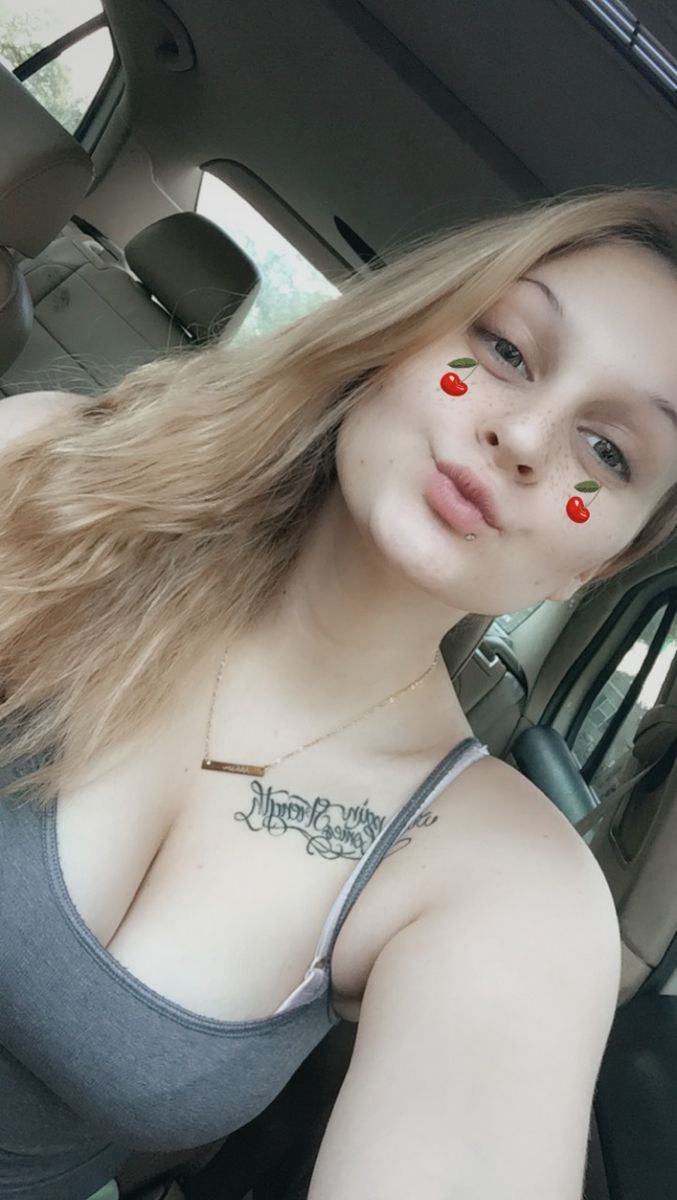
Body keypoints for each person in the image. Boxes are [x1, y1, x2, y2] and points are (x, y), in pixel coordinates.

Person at [0, 184, 676, 1200]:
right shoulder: (46, 472)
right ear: (396, 340)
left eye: (609, 452)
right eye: (503, 348)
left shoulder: (509, 888)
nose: (526, 438)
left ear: (595, 564)